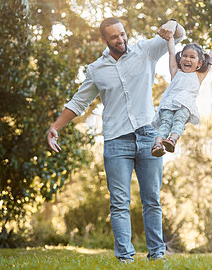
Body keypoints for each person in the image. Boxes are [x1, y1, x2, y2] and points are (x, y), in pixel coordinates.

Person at [47, 17, 185, 263]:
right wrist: (56, 126)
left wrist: (172, 23)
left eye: (123, 34)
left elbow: (179, 35)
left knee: (152, 198)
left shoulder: (145, 50)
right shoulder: (96, 69)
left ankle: (157, 255)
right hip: (116, 140)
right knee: (120, 202)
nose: (121, 40)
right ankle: (125, 258)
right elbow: (79, 102)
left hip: (148, 136)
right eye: (114, 37)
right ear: (104, 40)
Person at [151, 35, 212, 156]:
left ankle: (172, 140)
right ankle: (157, 144)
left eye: (192, 57)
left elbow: (211, 57)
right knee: (165, 123)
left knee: (179, 121)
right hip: (169, 104)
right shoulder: (175, 72)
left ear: (199, 63)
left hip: (185, 105)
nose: (187, 59)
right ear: (180, 58)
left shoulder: (199, 75)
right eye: (185, 56)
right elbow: (171, 53)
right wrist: (170, 38)